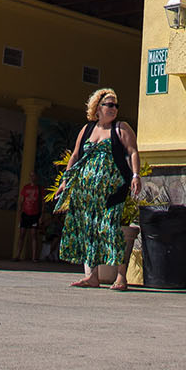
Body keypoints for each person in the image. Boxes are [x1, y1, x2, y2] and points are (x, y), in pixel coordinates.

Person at [56, 89, 140, 290]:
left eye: (115, 106)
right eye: (109, 105)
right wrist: (65, 181)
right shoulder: (87, 129)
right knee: (89, 231)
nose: (113, 109)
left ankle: (121, 276)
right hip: (85, 192)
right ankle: (92, 276)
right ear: (98, 107)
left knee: (112, 229)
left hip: (112, 191)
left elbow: (133, 151)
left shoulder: (121, 128)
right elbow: (75, 156)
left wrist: (136, 175)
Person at [17, 178, 43, 261]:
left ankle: (34, 257)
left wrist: (41, 216)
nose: (32, 178)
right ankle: (18, 255)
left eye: (34, 176)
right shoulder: (25, 187)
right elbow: (21, 200)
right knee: (21, 235)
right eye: (31, 176)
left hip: (35, 214)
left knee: (34, 235)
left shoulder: (39, 188)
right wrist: (20, 214)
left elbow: (43, 203)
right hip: (25, 213)